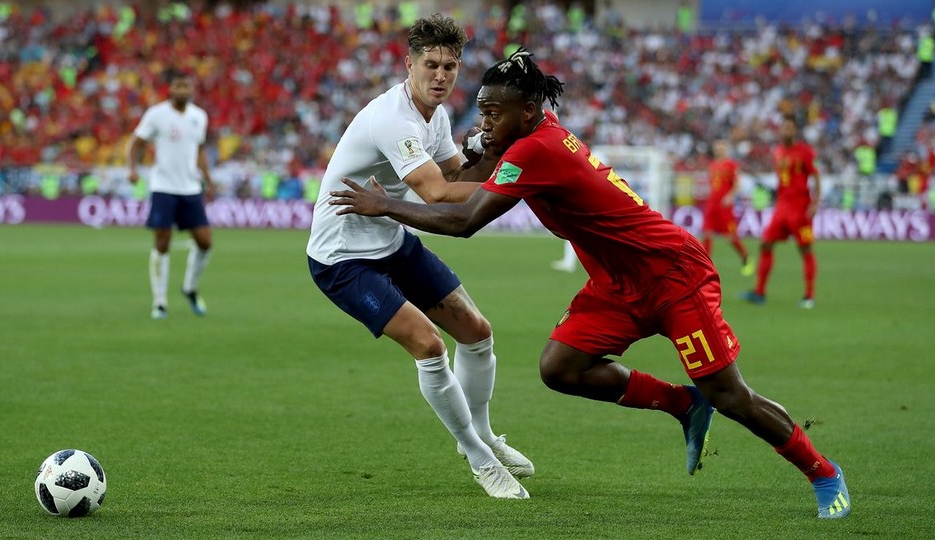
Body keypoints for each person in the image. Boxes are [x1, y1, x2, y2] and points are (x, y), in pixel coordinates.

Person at [331, 49, 851, 519]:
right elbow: (480, 171)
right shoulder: (532, 132)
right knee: (561, 367)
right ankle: (682, 404)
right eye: (483, 110)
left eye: (494, 113)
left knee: (732, 395)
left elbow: (465, 219)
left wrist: (385, 205)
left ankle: (824, 473)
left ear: (529, 112)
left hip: (672, 277)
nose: (484, 121)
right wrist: (481, 144)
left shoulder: (536, 152)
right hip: (617, 284)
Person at [305, 15, 533, 499]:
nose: (441, 75)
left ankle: (486, 434)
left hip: (390, 240)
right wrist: (523, 183)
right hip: (342, 258)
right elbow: (436, 192)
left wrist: (496, 147)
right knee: (429, 346)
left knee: (477, 333)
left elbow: (457, 169)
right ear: (409, 64)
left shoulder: (437, 115)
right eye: (431, 64)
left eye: (450, 66)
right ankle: (479, 457)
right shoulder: (394, 118)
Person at [128, 69, 215, 320]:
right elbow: (137, 142)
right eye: (178, 86)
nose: (183, 90)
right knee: (162, 241)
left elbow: (199, 149)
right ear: (170, 89)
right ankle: (160, 302)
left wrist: (207, 177)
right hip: (163, 186)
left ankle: (189, 288)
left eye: (187, 86)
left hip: (190, 187)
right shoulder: (157, 114)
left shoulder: (200, 116)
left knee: (205, 241)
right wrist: (132, 168)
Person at [741, 117, 821, 309]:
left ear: (795, 131)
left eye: (790, 128)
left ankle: (809, 295)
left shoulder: (804, 152)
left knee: (805, 249)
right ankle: (759, 292)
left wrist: (815, 203)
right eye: (783, 127)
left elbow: (816, 176)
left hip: (800, 209)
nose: (786, 131)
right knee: (766, 244)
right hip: (781, 208)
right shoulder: (778, 152)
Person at [702, 140, 753, 276]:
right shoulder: (712, 165)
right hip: (712, 204)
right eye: (717, 148)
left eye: (721, 148)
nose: (719, 150)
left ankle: (745, 256)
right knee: (707, 234)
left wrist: (730, 196)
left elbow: (737, 184)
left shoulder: (731, 165)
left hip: (724, 206)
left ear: (726, 149)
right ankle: (704, 267)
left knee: (731, 236)